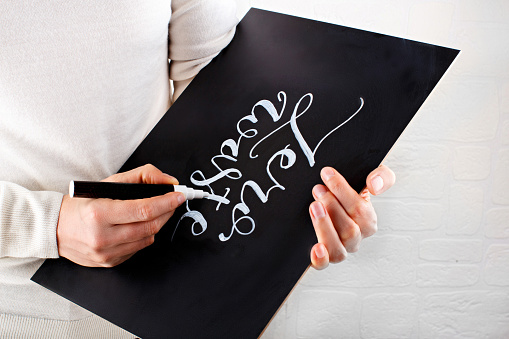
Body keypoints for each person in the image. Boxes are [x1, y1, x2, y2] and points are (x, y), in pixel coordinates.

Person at [0, 0, 394, 337]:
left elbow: (219, 83)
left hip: (163, 303)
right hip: (14, 312)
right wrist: (45, 225)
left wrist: (321, 185)